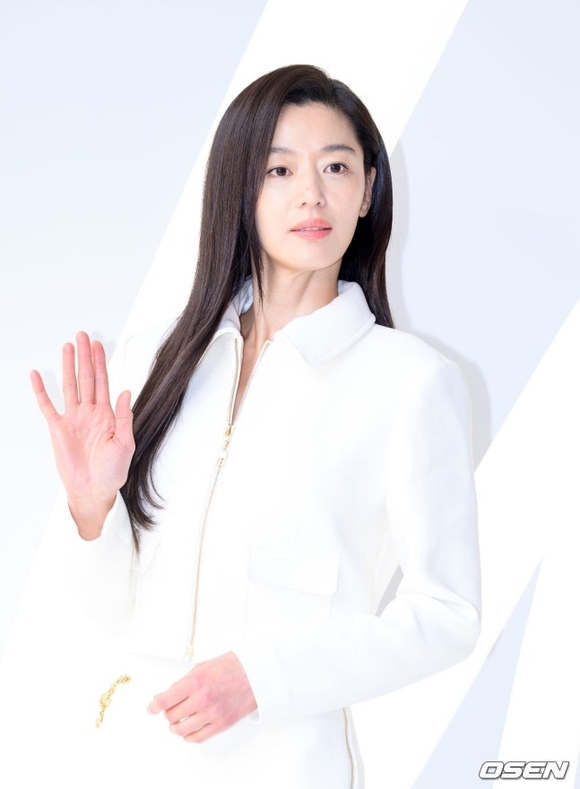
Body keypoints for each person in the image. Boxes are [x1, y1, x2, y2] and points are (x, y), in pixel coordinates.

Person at [30, 64, 480, 788]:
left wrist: (261, 679)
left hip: (285, 766)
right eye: (280, 169)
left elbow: (446, 614)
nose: (312, 193)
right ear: (241, 187)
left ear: (368, 190)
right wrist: (91, 510)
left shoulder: (410, 383)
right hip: (127, 758)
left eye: (337, 166)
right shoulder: (157, 358)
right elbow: (111, 609)